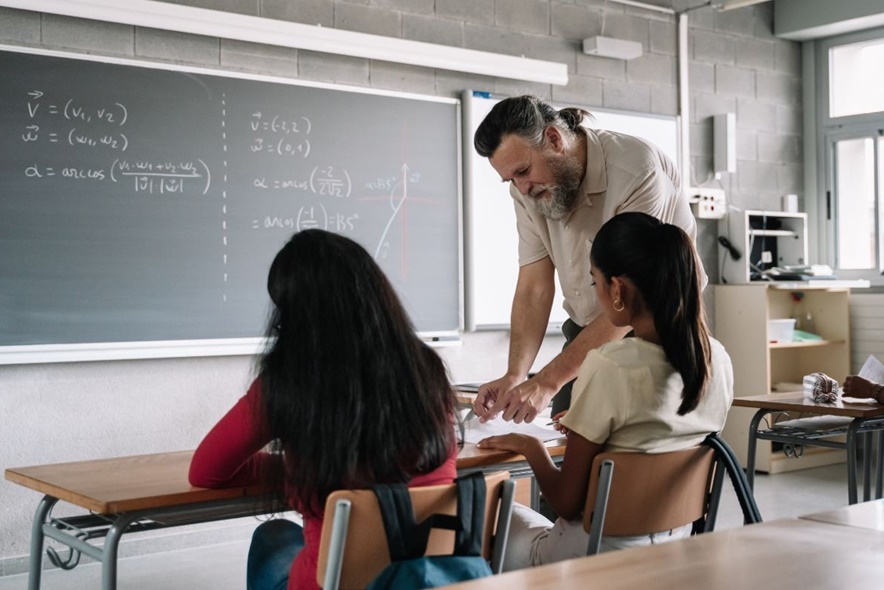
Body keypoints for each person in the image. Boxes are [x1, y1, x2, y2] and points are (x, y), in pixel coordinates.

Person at [188, 229, 458, 590]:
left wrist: (309, 464)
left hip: (332, 584)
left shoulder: (287, 382)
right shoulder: (426, 370)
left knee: (273, 536)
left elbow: (207, 471)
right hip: (425, 582)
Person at [477, 212, 733, 569]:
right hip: (671, 552)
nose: (595, 293)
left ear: (617, 289)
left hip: (592, 558)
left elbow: (566, 503)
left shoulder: (611, 364)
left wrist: (530, 446)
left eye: (594, 281)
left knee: (480, 508)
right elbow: (655, 435)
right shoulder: (716, 359)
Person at [472, 95, 703, 423]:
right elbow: (533, 287)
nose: (522, 189)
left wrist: (549, 381)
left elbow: (634, 297)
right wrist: (516, 375)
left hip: (656, 330)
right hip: (587, 330)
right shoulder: (527, 191)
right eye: (511, 180)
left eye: (523, 171)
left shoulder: (636, 169)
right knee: (564, 439)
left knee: (631, 451)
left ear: (554, 139)